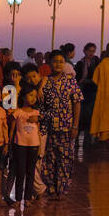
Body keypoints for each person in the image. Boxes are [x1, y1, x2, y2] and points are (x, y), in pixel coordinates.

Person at [37, 52, 82, 198]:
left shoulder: (70, 81)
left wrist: (75, 126)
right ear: (49, 63)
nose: (58, 64)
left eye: (61, 61)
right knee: (49, 157)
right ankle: (50, 186)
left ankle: (62, 188)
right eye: (55, 61)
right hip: (48, 126)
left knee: (65, 157)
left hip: (66, 126)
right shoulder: (45, 81)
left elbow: (77, 103)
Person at [10, 85, 42, 204]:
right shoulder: (17, 112)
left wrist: (39, 147)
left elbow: (38, 131)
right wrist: (10, 145)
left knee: (30, 172)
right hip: (20, 145)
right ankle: (18, 198)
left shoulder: (36, 113)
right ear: (23, 97)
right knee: (20, 171)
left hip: (34, 145)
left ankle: (27, 198)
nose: (33, 98)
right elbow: (12, 130)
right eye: (30, 95)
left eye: (35, 96)